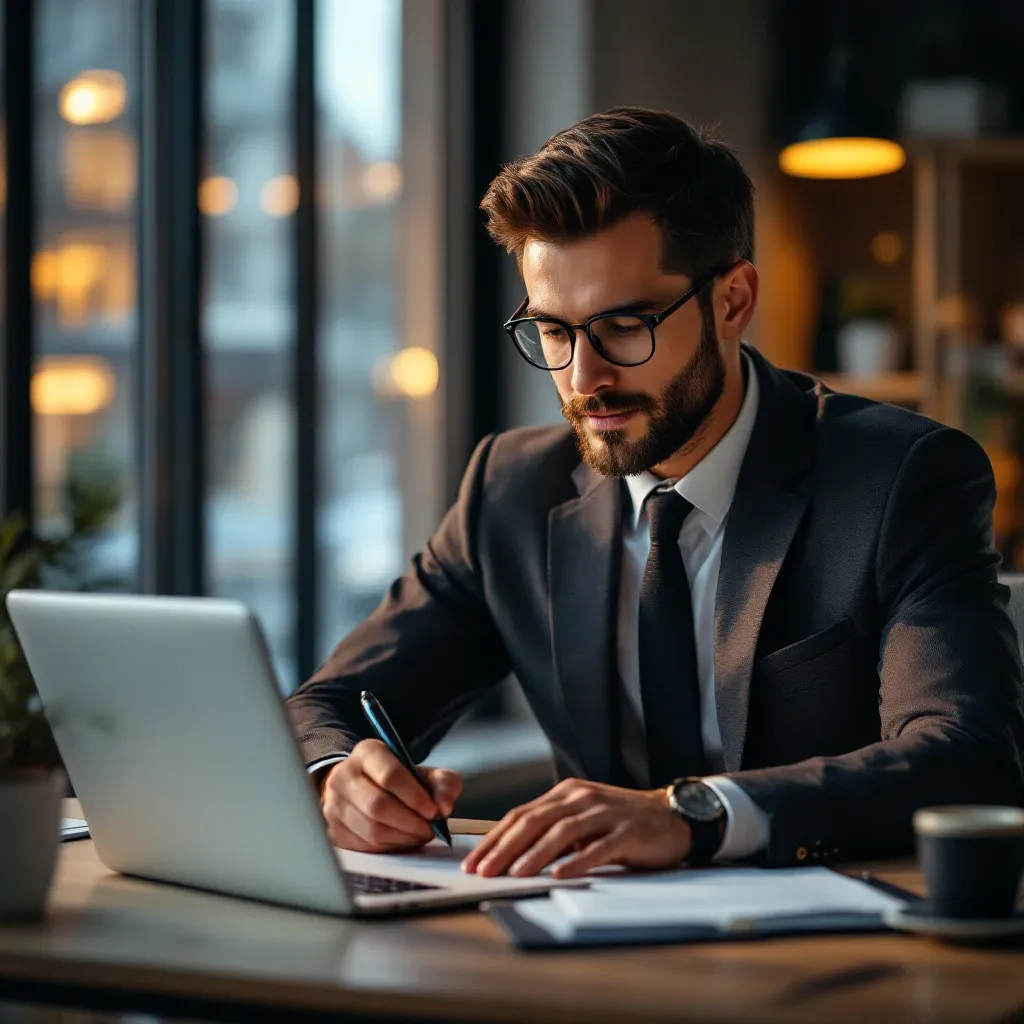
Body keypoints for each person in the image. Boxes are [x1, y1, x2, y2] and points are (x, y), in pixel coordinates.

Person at [288, 107, 1024, 878]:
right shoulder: (510, 490)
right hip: (583, 947)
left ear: (734, 300)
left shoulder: (902, 479)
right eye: (554, 330)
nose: (583, 379)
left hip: (821, 954)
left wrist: (693, 814)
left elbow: (967, 756)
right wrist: (339, 777)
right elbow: (324, 707)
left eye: (625, 325)